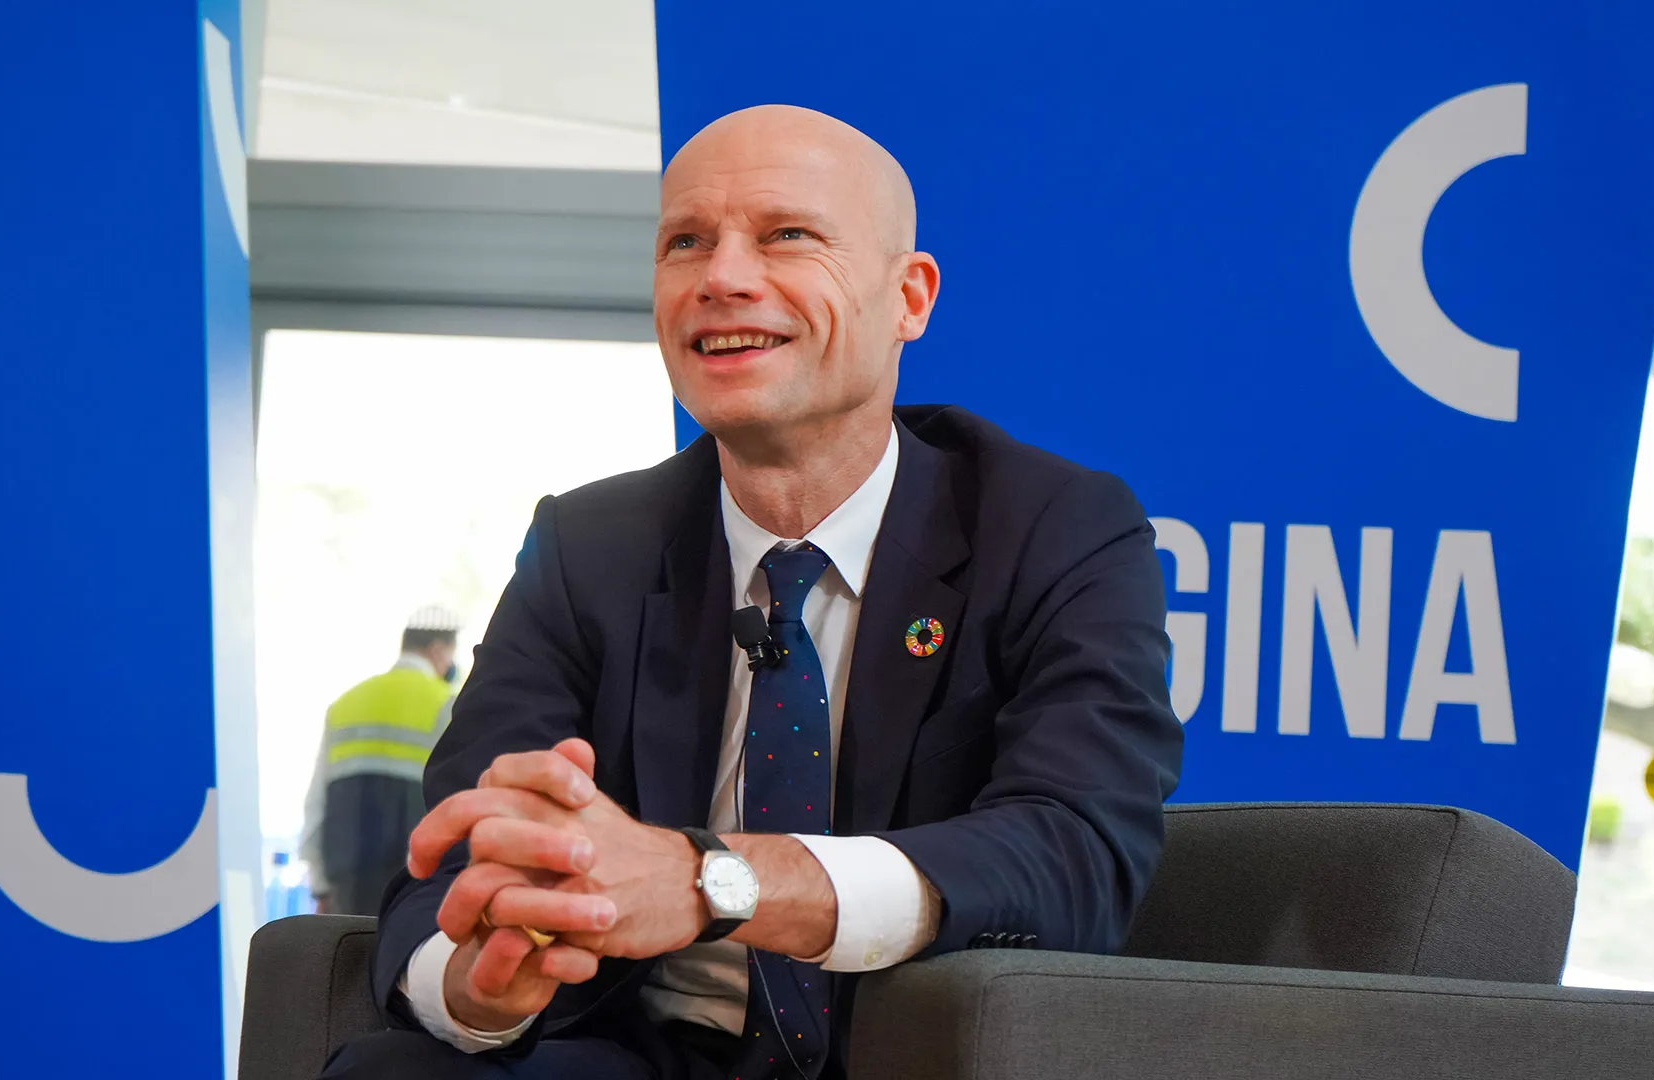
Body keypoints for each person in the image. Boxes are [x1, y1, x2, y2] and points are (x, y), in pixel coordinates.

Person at [320, 105, 1182, 1079]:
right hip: (644, 1052)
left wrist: (709, 883)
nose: (721, 278)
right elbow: (446, 867)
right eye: (685, 242)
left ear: (909, 297)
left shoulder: (1053, 527)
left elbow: (1073, 857)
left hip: (916, 1053)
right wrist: (484, 980)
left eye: (787, 237)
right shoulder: (588, 545)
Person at [301, 605, 462, 916]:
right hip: (415, 884)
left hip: (347, 880)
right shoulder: (448, 703)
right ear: (439, 650)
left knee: (348, 962)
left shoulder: (345, 704)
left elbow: (316, 805)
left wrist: (320, 885)